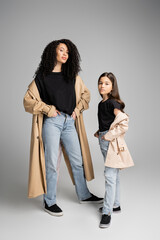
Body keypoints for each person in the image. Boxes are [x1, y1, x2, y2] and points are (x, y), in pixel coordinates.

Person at [23, 39, 103, 217]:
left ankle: (83, 195)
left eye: (67, 51)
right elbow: (28, 101)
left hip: (69, 122)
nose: (65, 54)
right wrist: (48, 109)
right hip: (52, 122)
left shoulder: (72, 76)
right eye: (61, 50)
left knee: (77, 160)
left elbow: (86, 95)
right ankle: (49, 201)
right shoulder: (41, 78)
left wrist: (77, 109)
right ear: (53, 52)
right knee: (52, 163)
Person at [94, 72, 134, 228]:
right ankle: (115, 204)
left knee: (110, 176)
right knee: (114, 175)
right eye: (100, 83)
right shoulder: (101, 103)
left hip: (111, 143)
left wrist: (108, 135)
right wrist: (100, 132)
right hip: (104, 140)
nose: (102, 86)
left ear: (112, 87)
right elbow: (108, 122)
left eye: (106, 83)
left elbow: (123, 122)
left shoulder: (112, 103)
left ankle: (107, 212)